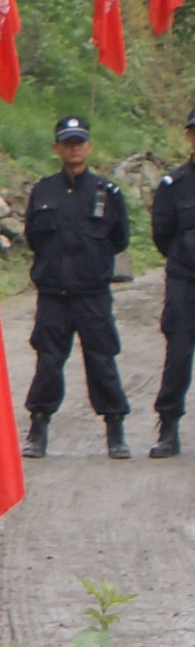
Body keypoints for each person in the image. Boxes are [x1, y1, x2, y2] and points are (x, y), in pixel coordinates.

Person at [24, 115, 131, 457]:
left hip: (92, 296)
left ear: (89, 146)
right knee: (48, 363)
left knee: (102, 361)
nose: (74, 148)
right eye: (67, 142)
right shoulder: (42, 191)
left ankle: (115, 431)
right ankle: (38, 430)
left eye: (80, 142)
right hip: (54, 295)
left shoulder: (107, 193)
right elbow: (33, 238)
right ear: (57, 148)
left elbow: (119, 239)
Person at [150, 106, 195, 458]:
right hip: (185, 280)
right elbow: (162, 235)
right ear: (189, 136)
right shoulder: (174, 185)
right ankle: (168, 428)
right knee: (178, 355)